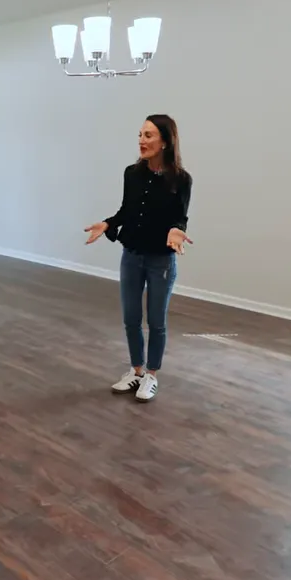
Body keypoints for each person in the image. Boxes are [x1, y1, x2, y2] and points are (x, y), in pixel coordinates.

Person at [84, 114, 192, 403]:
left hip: (161, 261)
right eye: (140, 135)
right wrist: (107, 223)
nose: (142, 141)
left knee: (156, 321)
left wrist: (177, 231)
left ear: (165, 141)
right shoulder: (131, 174)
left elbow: (180, 218)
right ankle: (136, 370)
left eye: (149, 135)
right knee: (131, 318)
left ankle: (152, 376)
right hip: (131, 255)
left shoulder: (181, 180)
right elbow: (126, 212)